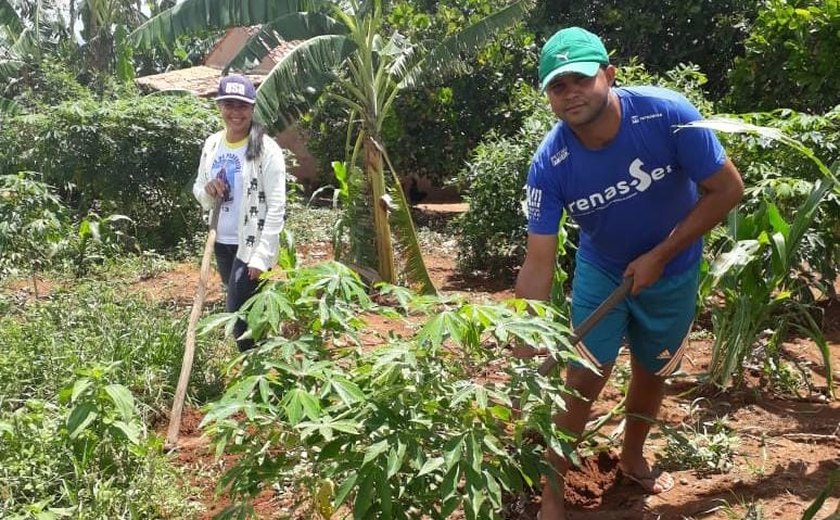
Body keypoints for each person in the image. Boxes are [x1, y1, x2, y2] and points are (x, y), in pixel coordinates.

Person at [515, 27, 743, 519]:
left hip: (676, 267)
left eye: (580, 78)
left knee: (653, 368)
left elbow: (727, 190)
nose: (570, 92)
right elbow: (538, 260)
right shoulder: (550, 164)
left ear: (609, 75)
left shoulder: (668, 115)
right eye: (558, 85)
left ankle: (632, 453)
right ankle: (551, 489)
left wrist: (661, 254)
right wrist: (523, 333)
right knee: (582, 373)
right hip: (603, 269)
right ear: (549, 98)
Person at [193, 74, 287, 352]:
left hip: (251, 245)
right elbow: (199, 189)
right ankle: (262, 357)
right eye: (229, 105)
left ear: (252, 108)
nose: (236, 112)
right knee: (247, 309)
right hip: (221, 239)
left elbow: (276, 206)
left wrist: (261, 256)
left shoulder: (266, 150)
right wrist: (208, 191)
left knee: (236, 312)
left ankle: (254, 371)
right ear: (219, 106)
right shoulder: (212, 145)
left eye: (242, 106)